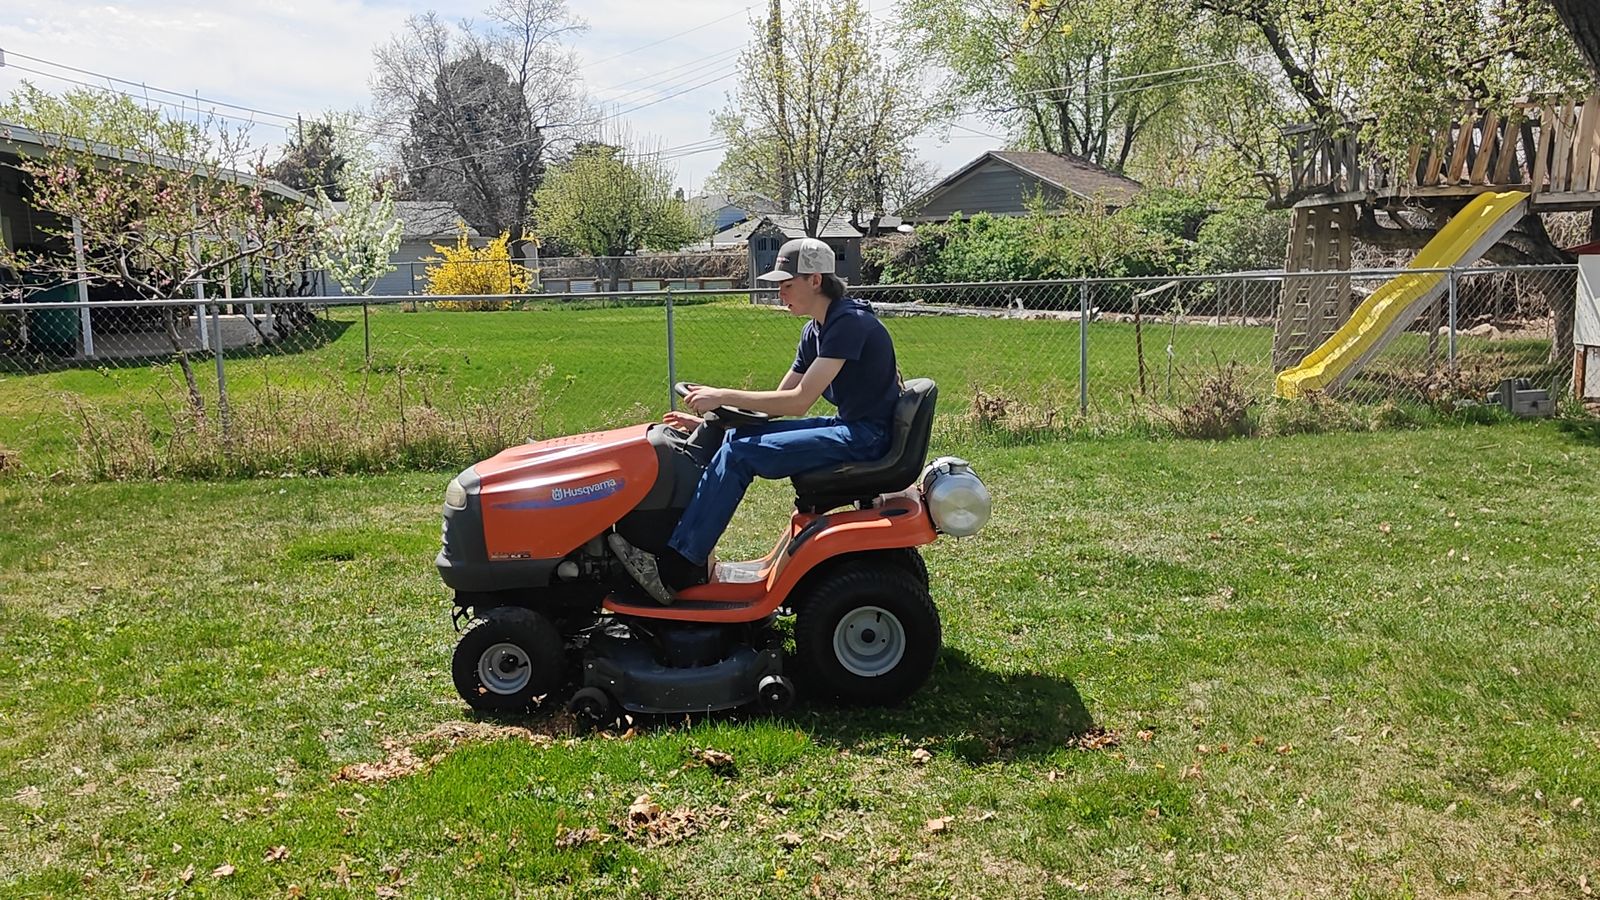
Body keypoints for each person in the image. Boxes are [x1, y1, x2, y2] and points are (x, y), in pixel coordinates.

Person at [608, 236, 902, 604]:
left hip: (867, 436)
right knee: (733, 444)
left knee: (740, 456)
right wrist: (712, 424)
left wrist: (722, 394)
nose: (780, 294)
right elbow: (770, 409)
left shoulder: (849, 324)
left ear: (815, 280)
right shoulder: (814, 331)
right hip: (852, 426)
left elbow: (798, 402)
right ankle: (687, 552)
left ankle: (678, 566)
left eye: (787, 284)